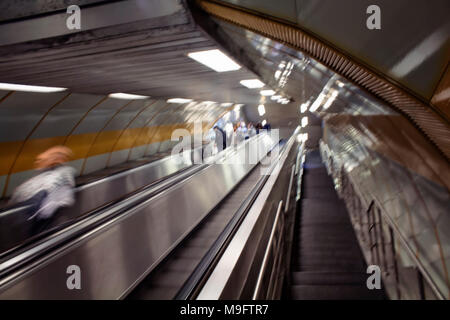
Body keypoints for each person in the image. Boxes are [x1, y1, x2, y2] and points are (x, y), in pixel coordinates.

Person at [9, 146, 76, 235]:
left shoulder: (57, 178)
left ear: (52, 160)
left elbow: (43, 210)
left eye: (40, 160)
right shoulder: (42, 177)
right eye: (37, 160)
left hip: (43, 229)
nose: (37, 162)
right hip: (38, 226)